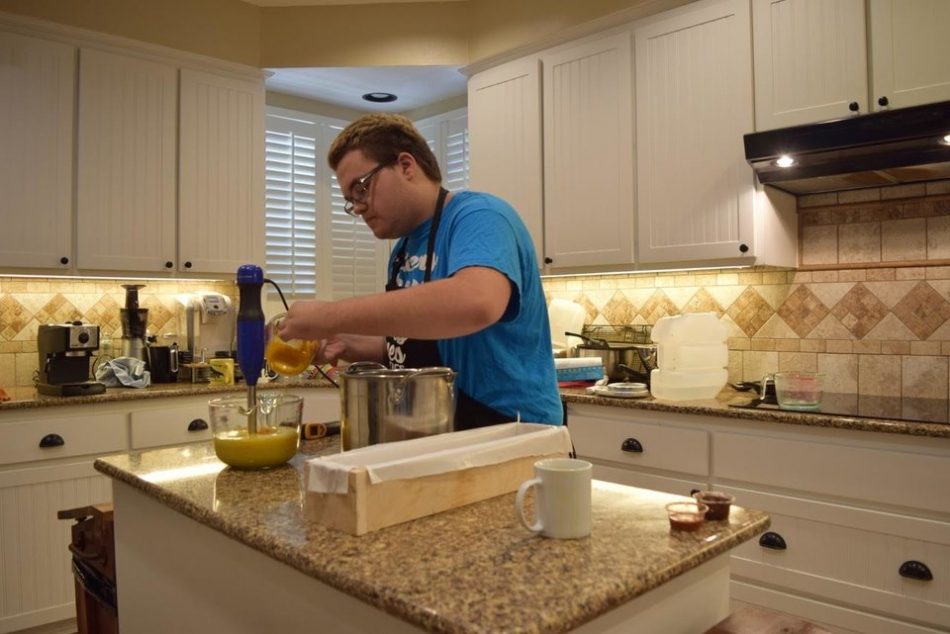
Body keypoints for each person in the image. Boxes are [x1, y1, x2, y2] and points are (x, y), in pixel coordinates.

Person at [277, 113, 563, 428]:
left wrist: (329, 316)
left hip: (514, 432)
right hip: (445, 430)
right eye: (349, 200)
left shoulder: (480, 217)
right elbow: (409, 348)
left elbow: (476, 302)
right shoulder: (403, 251)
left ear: (406, 165)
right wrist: (345, 343)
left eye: (361, 188)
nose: (357, 207)